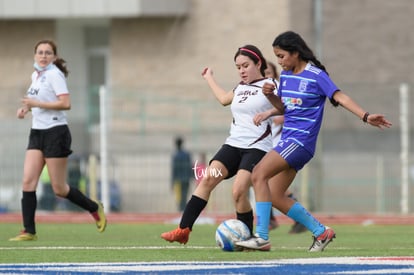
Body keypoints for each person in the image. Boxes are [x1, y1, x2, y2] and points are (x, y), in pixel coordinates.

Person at [236, 31, 392, 252]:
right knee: (275, 195)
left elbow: (340, 96)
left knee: (258, 173)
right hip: (288, 141)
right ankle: (321, 232)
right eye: (277, 57)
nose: (279, 62)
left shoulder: (316, 75)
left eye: (281, 56)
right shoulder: (287, 76)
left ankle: (261, 237)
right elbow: (283, 108)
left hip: (300, 141)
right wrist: (271, 95)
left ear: (295, 53)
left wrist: (366, 116)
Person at [161, 45, 277, 244]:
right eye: (238, 67)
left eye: (245, 65)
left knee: (238, 191)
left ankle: (248, 239)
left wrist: (270, 113)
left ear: (258, 63)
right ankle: (183, 230)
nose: (241, 70)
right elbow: (224, 99)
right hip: (232, 146)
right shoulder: (240, 88)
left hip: (257, 148)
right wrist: (209, 77)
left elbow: (288, 106)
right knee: (207, 179)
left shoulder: (271, 84)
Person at [10, 39, 107, 241]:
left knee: (59, 189)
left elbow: (66, 103)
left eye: (48, 53)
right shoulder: (36, 75)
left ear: (53, 57)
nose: (43, 56)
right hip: (37, 132)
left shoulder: (55, 75)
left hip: (56, 132)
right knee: (28, 181)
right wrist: (25, 109)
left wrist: (37, 103)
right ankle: (29, 230)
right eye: (40, 52)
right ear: (35, 55)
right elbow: (33, 100)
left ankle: (93, 207)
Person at [264, 61, 307, 234]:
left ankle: (268, 224)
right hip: (266, 141)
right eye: (263, 72)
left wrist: (279, 116)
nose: (266, 75)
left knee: (265, 181)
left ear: (274, 73)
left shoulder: (279, 87)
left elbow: (289, 108)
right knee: (263, 181)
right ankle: (271, 220)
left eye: (268, 71)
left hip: (281, 143)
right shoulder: (262, 88)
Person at [172, 136, 193, 212]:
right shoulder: (187, 154)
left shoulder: (175, 156)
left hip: (179, 179)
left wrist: (172, 182)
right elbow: (190, 166)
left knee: (179, 197)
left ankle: (181, 210)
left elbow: (174, 170)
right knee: (185, 195)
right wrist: (192, 177)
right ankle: (184, 210)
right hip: (186, 178)